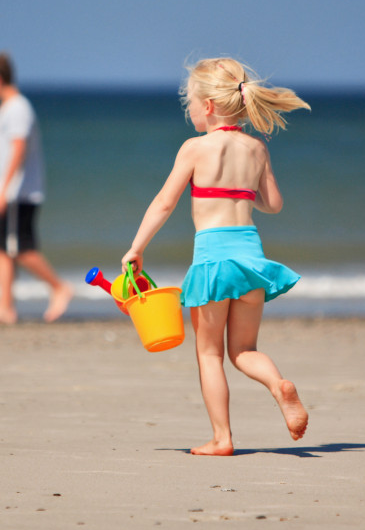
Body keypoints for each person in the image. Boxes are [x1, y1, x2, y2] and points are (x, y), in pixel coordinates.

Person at [121, 57, 310, 456]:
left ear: (207, 106)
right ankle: (279, 385)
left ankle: (222, 438)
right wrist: (244, 191)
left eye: (189, 101)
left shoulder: (194, 149)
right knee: (244, 351)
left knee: (209, 354)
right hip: (252, 261)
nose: (188, 109)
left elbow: (163, 203)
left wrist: (137, 247)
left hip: (212, 262)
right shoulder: (256, 148)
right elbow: (274, 204)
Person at [0, 52, 73, 324]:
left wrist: (4, 190)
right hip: (7, 191)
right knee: (1, 248)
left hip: (18, 193)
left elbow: (19, 148)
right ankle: (4, 306)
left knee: (22, 249)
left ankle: (59, 287)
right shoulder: (9, 107)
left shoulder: (17, 108)